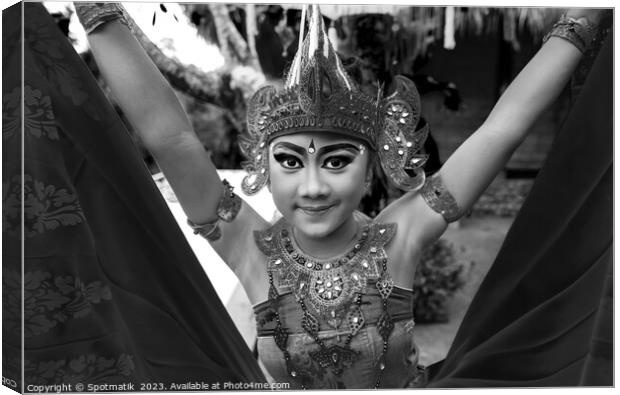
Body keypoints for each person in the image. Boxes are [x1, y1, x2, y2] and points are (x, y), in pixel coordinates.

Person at [74, 3, 604, 389]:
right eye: (288, 162)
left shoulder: (402, 234)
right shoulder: (250, 246)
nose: (311, 187)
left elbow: (499, 131)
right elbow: (170, 138)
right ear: (263, 167)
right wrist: (94, 9)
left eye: (336, 162)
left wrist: (585, 19)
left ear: (370, 164)